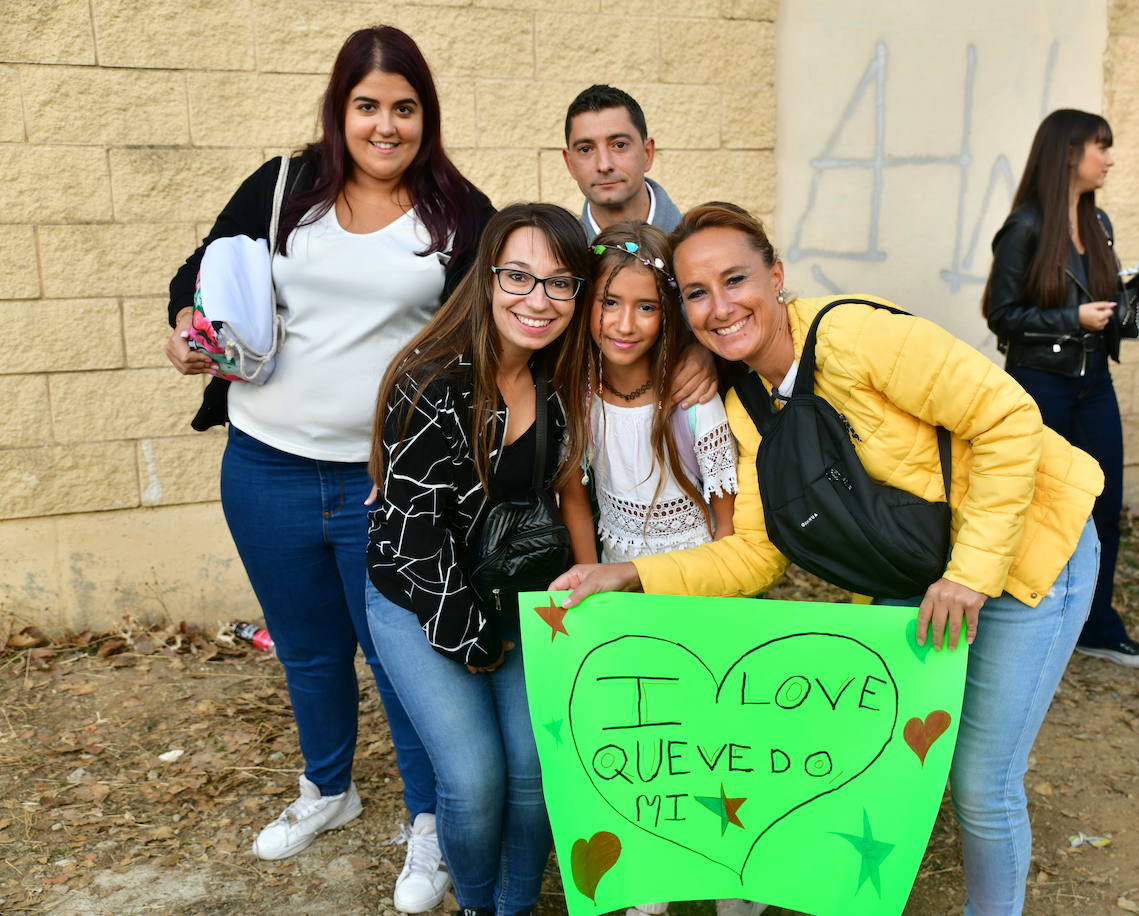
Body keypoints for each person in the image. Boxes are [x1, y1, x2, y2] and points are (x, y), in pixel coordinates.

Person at [552, 202, 1106, 915]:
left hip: (1034, 549)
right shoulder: (746, 401)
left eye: (735, 280)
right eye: (696, 293)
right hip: (920, 572)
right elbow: (754, 556)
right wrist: (630, 572)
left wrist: (971, 575)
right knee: (884, 757)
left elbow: (1007, 418)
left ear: (775, 275)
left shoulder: (853, 335)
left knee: (979, 780)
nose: (720, 307)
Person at [164, 26, 492, 913]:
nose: (386, 126)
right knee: (310, 653)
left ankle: (427, 822)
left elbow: (497, 334)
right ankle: (329, 791)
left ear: (426, 115)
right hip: (264, 466)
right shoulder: (282, 189)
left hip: (384, 486)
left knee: (403, 661)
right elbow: (201, 272)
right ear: (340, 109)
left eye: (405, 108)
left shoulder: (459, 214)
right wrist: (188, 330)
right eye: (368, 107)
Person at [364, 203, 597, 916]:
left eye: (560, 283)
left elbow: (566, 493)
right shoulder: (433, 382)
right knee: (474, 778)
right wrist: (472, 641)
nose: (539, 300)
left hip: (517, 591)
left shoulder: (561, 380)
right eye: (519, 278)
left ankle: (515, 904)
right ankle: (476, 907)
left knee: (534, 767)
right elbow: (415, 541)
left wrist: (590, 602)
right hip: (420, 596)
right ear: (487, 279)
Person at [554, 222, 752, 916]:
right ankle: (649, 881)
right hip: (616, 584)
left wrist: (725, 601)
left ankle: (733, 873)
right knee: (641, 736)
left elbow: (725, 512)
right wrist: (589, 584)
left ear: (667, 312)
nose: (625, 323)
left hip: (694, 587)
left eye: (645, 306)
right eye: (610, 303)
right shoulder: (576, 389)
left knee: (705, 733)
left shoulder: (695, 396)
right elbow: (575, 492)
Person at [982, 109, 1139, 669]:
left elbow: (1110, 316)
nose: (1109, 159)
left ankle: (1096, 625)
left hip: (1096, 385)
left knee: (1103, 507)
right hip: (1041, 386)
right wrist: (1072, 318)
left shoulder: (1100, 225)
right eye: (1101, 147)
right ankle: (1015, 624)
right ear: (1068, 153)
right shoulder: (1024, 228)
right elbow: (1002, 315)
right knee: (1034, 508)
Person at [563, 84, 683, 243]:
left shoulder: (700, 251)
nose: (604, 165)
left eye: (619, 145)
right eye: (585, 149)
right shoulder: (562, 261)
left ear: (647, 153)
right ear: (570, 164)